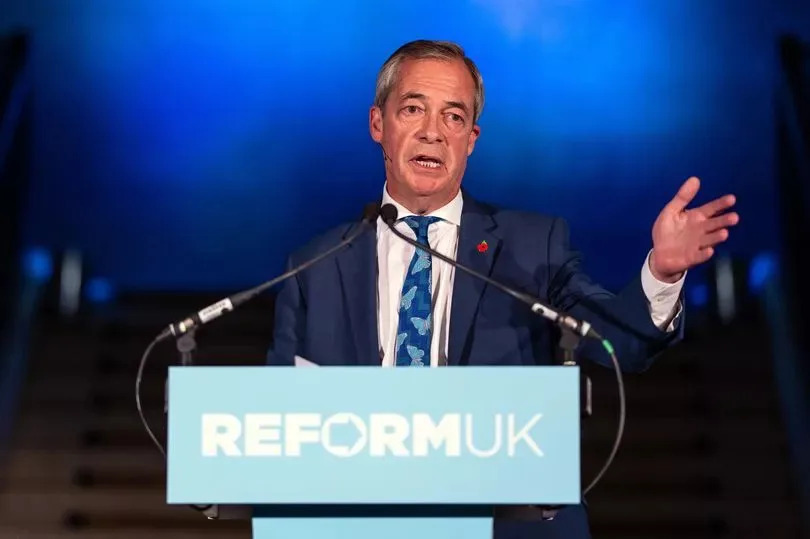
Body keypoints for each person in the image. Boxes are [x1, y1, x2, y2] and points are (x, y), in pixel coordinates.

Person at [267, 40, 739, 539]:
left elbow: (622, 342)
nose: (432, 132)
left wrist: (661, 274)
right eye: (413, 109)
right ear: (378, 125)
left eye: (453, 117)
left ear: (470, 139)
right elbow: (280, 428)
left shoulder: (533, 247)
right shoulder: (313, 267)